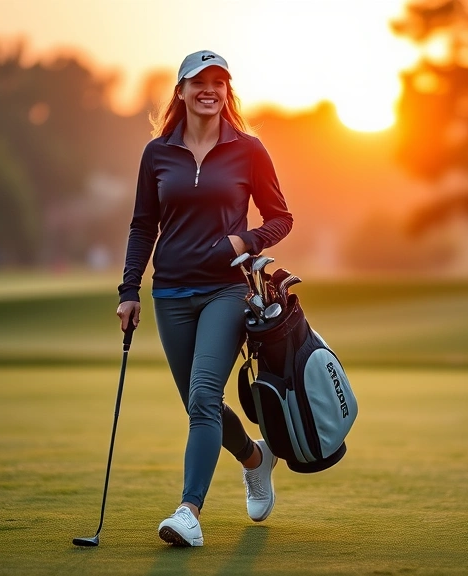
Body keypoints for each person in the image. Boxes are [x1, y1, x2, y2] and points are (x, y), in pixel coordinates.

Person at [116, 50, 293, 547]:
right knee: (202, 404)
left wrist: (243, 242)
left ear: (227, 91)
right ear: (181, 91)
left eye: (219, 81)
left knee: (201, 399)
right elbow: (142, 225)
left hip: (226, 291)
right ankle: (256, 459)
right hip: (170, 291)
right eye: (198, 82)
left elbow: (280, 218)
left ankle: (188, 512)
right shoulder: (157, 153)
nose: (208, 89)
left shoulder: (249, 150)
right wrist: (129, 290)